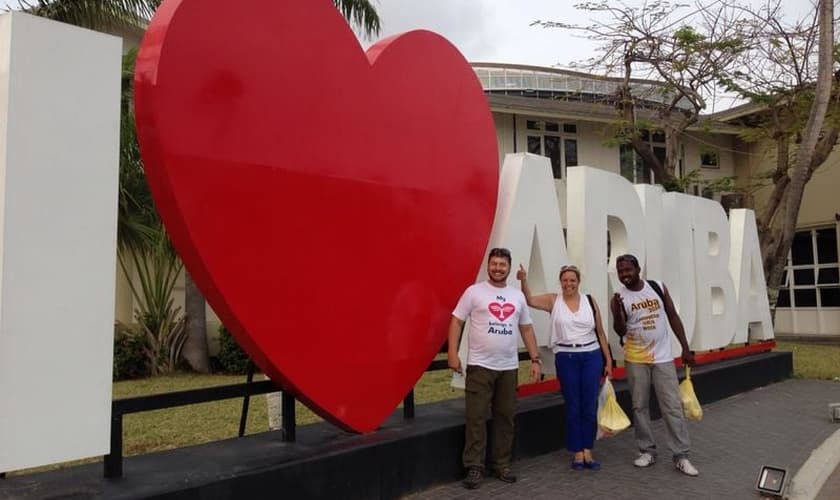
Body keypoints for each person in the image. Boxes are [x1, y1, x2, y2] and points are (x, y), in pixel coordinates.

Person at [447, 247, 542, 490]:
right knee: (476, 417)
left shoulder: (517, 296)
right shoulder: (474, 292)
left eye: (502, 265)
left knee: (505, 417)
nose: (498, 268)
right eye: (494, 264)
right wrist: (452, 353)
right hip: (480, 366)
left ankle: (500, 463)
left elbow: (526, 328)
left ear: (508, 268)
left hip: (508, 367)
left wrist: (535, 359)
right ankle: (474, 466)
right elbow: (456, 321)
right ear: (488, 266)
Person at [610, 254, 699, 477]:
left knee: (672, 406)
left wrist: (685, 347)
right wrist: (618, 312)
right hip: (635, 358)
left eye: (628, 270)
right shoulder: (618, 297)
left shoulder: (657, 287)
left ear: (638, 269)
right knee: (639, 406)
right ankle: (647, 451)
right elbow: (620, 330)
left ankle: (681, 455)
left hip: (663, 358)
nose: (624, 275)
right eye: (620, 271)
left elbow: (673, 316)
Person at [517, 264, 612, 471]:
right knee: (573, 405)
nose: (569, 284)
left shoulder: (589, 300)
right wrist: (523, 280)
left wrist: (608, 360)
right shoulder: (554, 300)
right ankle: (577, 450)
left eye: (572, 280)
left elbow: (600, 332)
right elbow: (529, 300)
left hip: (591, 356)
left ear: (578, 282)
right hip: (566, 357)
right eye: (565, 280)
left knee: (589, 404)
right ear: (560, 282)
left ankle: (588, 449)